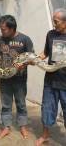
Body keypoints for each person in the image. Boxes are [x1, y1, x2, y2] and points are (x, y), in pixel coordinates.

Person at [0, 15, 34, 139]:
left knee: (21, 103)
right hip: (4, 78)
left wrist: (23, 64)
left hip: (20, 78)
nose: (1, 31)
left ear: (12, 28)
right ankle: (6, 127)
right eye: (0, 29)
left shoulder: (25, 40)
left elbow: (32, 59)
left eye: (3, 29)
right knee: (5, 104)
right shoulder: (0, 40)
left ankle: (23, 126)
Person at [36, 8, 66, 146]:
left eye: (56, 22)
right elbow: (46, 53)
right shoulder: (51, 34)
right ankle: (45, 135)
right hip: (51, 80)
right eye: (54, 21)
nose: (54, 24)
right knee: (47, 108)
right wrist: (35, 58)